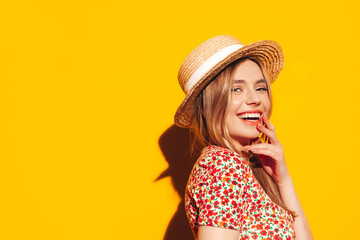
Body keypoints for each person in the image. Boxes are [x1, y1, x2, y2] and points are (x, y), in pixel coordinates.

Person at [174, 35, 313, 240]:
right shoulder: (222, 166)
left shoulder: (249, 166)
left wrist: (283, 180)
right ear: (205, 106)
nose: (255, 99)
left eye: (260, 88)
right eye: (236, 89)